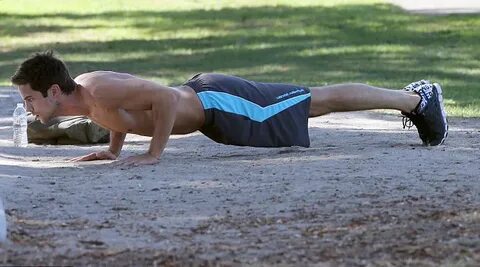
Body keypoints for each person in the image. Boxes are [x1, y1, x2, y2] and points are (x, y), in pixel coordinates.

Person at [11, 51, 448, 166]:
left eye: (30, 98)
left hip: (217, 103)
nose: (28, 108)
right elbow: (126, 113)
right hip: (214, 111)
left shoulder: (96, 89)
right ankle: (413, 98)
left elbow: (162, 98)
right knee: (315, 100)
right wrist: (114, 149)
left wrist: (154, 153)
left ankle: (418, 100)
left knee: (318, 100)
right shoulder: (86, 98)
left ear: (53, 91)